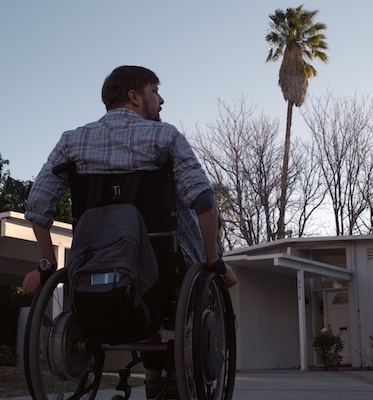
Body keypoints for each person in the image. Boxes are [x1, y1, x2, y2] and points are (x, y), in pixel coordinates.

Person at [22, 65, 237, 399]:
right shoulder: (164, 137)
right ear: (135, 97)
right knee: (168, 282)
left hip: (92, 265)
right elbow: (204, 202)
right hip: (165, 270)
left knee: (136, 280)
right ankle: (166, 381)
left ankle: (153, 379)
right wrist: (215, 262)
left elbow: (37, 207)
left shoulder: (71, 141)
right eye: (155, 90)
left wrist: (48, 265)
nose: (161, 99)